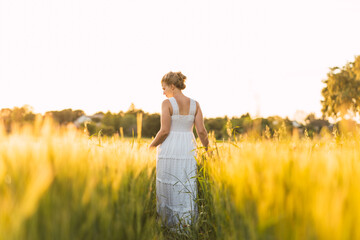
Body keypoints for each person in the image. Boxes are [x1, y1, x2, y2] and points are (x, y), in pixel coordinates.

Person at [149, 71, 209, 229]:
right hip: (188, 148)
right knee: (186, 184)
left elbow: (164, 131)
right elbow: (202, 131)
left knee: (168, 184)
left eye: (164, 88)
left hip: (170, 148)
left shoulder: (167, 104)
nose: (163, 92)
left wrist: (151, 146)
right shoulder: (195, 104)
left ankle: (168, 225)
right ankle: (186, 226)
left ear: (172, 86)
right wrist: (208, 150)